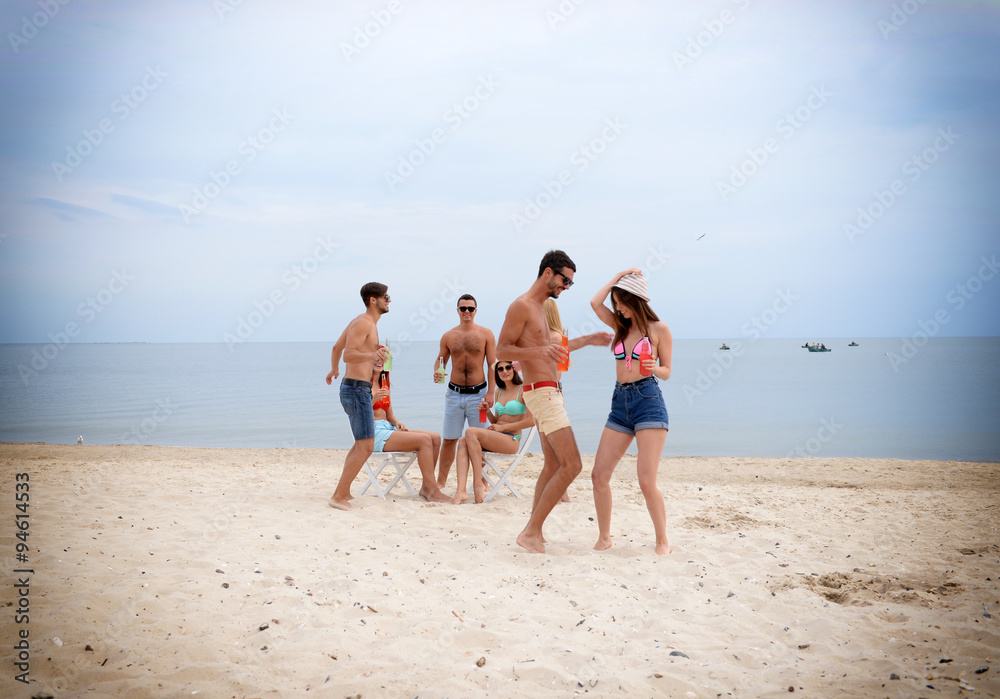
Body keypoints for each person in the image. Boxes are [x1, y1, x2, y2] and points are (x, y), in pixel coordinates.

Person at [496, 250, 581, 553]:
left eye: (571, 282)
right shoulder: (522, 306)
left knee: (553, 464)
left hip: (549, 391)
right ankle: (530, 532)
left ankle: (534, 530)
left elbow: (549, 352)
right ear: (548, 272)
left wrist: (588, 340)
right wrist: (537, 354)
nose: (567, 287)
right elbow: (500, 350)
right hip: (542, 394)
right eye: (565, 280)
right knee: (572, 465)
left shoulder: (542, 307)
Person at [589, 269, 673, 555]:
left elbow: (667, 371)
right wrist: (617, 276)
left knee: (646, 481)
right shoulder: (620, 327)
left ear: (635, 299)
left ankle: (662, 541)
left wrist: (655, 369)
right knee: (599, 475)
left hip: (648, 399)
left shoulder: (659, 329)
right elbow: (594, 303)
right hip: (619, 403)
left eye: (622, 302)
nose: (618, 308)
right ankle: (604, 537)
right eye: (616, 303)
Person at [542, 298, 612, 503]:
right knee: (555, 457)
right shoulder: (555, 337)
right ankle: (560, 495)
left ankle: (562, 494)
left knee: (555, 457)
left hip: (547, 395)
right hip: (548, 395)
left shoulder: (552, 338)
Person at [328, 282, 390, 510]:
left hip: (354, 387)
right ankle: (338, 496)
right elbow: (348, 354)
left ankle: (343, 491)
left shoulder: (363, 322)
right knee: (365, 446)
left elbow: (336, 348)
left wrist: (333, 370)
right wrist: (372, 354)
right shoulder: (364, 322)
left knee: (359, 444)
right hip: (357, 389)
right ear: (373, 300)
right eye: (386, 296)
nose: (389, 300)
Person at [433, 294, 497, 488]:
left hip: (479, 395)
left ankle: (482, 481)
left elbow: (492, 364)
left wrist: (491, 392)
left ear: (476, 311)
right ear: (457, 311)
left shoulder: (486, 334)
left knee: (481, 440)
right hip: (453, 394)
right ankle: (441, 482)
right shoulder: (448, 336)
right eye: (463, 308)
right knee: (450, 439)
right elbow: (440, 360)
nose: (467, 311)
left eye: (470, 308)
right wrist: (437, 371)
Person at [452, 361, 535, 504]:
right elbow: (497, 422)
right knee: (462, 441)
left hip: (511, 439)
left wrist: (503, 429)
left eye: (508, 367)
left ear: (514, 369)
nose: (504, 371)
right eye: (500, 369)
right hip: (498, 436)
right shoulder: (498, 391)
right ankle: (461, 490)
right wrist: (487, 412)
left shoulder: (524, 390)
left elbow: (531, 421)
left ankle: (478, 483)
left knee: (471, 431)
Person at [369, 360, 450, 503]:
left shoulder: (384, 385)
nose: (380, 362)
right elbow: (359, 415)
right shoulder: (364, 385)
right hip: (374, 433)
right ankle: (433, 491)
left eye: (383, 359)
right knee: (424, 440)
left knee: (435, 438)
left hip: (388, 428)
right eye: (377, 358)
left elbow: (390, 416)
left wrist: (398, 423)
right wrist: (373, 399)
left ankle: (426, 487)